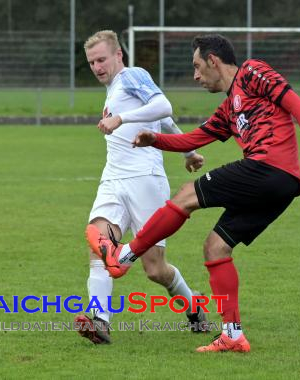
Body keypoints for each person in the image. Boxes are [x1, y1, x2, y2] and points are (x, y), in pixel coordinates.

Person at [86, 34, 300, 352]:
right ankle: (232, 335)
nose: (195, 76)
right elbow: (194, 139)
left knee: (186, 195)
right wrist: (155, 139)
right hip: (278, 188)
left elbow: (296, 103)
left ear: (213, 61)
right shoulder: (227, 110)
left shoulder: (253, 72)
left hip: (268, 168)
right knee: (215, 248)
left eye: (197, 66)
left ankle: (126, 255)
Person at [75, 30, 208, 344]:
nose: (96, 66)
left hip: (146, 180)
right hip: (113, 179)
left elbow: (163, 106)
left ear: (119, 55)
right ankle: (100, 321)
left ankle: (193, 305)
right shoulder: (114, 91)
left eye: (102, 59)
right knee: (98, 244)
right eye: (92, 61)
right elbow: (163, 121)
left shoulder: (132, 76)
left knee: (154, 269)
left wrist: (120, 119)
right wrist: (188, 151)